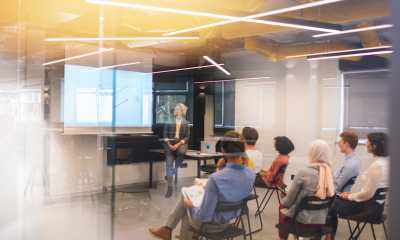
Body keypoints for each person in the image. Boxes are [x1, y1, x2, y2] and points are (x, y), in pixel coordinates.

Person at [148, 130, 255, 240]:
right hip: (228, 222)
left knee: (186, 205)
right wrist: (223, 169)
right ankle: (167, 229)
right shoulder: (250, 174)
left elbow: (203, 216)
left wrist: (190, 207)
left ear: (223, 151)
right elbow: (230, 185)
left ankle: (167, 229)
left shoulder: (216, 178)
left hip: (209, 226)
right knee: (187, 202)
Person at [327, 133, 390, 240]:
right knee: (331, 204)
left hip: (368, 209)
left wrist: (350, 197)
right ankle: (329, 237)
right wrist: (354, 194)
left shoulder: (377, 166)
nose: (366, 144)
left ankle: (328, 237)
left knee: (329, 205)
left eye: (367, 142)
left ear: (374, 146)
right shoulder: (385, 163)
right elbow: (371, 192)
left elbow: (368, 194)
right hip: (375, 207)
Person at [278, 140, 337, 240]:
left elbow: (288, 203)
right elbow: (330, 207)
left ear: (311, 154)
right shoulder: (332, 177)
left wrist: (285, 197)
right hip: (319, 225)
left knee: (282, 206)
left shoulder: (303, 173)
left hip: (300, 224)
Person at [163, 103, 190, 198]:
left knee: (182, 152)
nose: (174, 110)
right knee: (169, 164)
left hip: (180, 143)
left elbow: (187, 137)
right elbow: (165, 134)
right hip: (170, 144)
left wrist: (178, 144)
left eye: (176, 109)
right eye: (175, 109)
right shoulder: (170, 121)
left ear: (181, 112)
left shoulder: (186, 123)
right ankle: (169, 188)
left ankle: (175, 169)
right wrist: (170, 145)